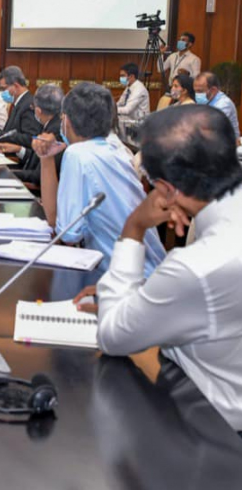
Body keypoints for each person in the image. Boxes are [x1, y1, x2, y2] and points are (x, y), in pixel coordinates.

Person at [77, 104, 242, 432]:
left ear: (165, 189)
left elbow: (113, 336)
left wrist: (134, 226)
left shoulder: (198, 266)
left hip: (209, 431)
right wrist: (146, 293)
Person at [33, 83, 165, 275]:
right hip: (144, 270)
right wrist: (47, 159)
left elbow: (67, 234)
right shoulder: (114, 147)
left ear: (66, 121)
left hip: (127, 278)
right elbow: (56, 220)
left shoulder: (78, 154)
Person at [0, 66, 42, 163]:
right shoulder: (18, 103)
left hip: (19, 161)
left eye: (4, 88)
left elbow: (29, 138)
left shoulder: (28, 105)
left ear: (16, 86)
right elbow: (12, 131)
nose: (1, 93)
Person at [11, 84, 64, 187]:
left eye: (33, 107)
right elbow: (35, 160)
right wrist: (19, 150)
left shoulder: (54, 133)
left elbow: (37, 177)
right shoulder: (51, 125)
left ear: (38, 111)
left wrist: (7, 174)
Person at [194, 72, 240, 139]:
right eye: (195, 91)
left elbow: (210, 128)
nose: (197, 95)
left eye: (200, 91)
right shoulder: (206, 101)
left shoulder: (224, 104)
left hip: (228, 145)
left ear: (213, 90)